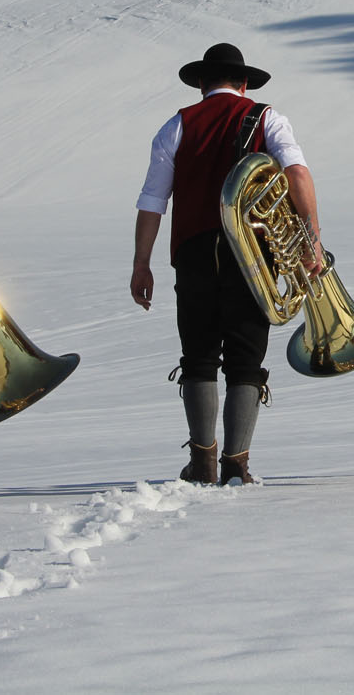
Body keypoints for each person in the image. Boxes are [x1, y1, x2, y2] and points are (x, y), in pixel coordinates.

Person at [130, 43, 323, 486]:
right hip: (252, 253)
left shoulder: (177, 124)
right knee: (245, 357)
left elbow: (153, 201)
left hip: (194, 252)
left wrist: (142, 263)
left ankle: (202, 462)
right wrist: (311, 239)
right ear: (242, 83)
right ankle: (236, 464)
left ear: (201, 84)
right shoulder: (268, 118)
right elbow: (296, 173)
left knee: (198, 355)